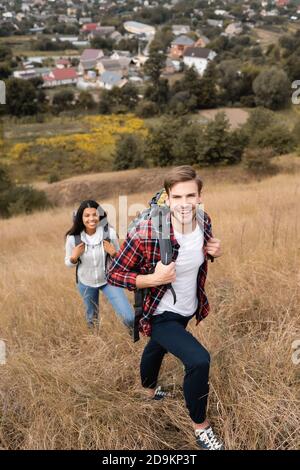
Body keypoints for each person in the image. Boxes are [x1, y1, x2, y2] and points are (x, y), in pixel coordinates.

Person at [107, 166, 224, 450]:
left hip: (187, 306)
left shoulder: (203, 220)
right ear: (167, 198)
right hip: (159, 312)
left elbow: (200, 255)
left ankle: (148, 390)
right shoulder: (147, 231)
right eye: (177, 196)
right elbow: (114, 274)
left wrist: (214, 251)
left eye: (190, 196)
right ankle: (201, 428)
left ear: (199, 196)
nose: (184, 203)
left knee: (156, 348)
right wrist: (153, 279)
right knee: (198, 360)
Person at [65, 200, 134, 330]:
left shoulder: (109, 234)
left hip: (109, 280)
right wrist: (74, 257)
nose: (91, 218)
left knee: (129, 318)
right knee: (92, 319)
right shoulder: (73, 238)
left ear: (100, 216)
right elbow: (68, 263)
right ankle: (95, 342)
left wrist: (114, 253)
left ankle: (133, 339)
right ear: (81, 218)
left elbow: (121, 259)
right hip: (85, 283)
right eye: (87, 215)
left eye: (94, 215)